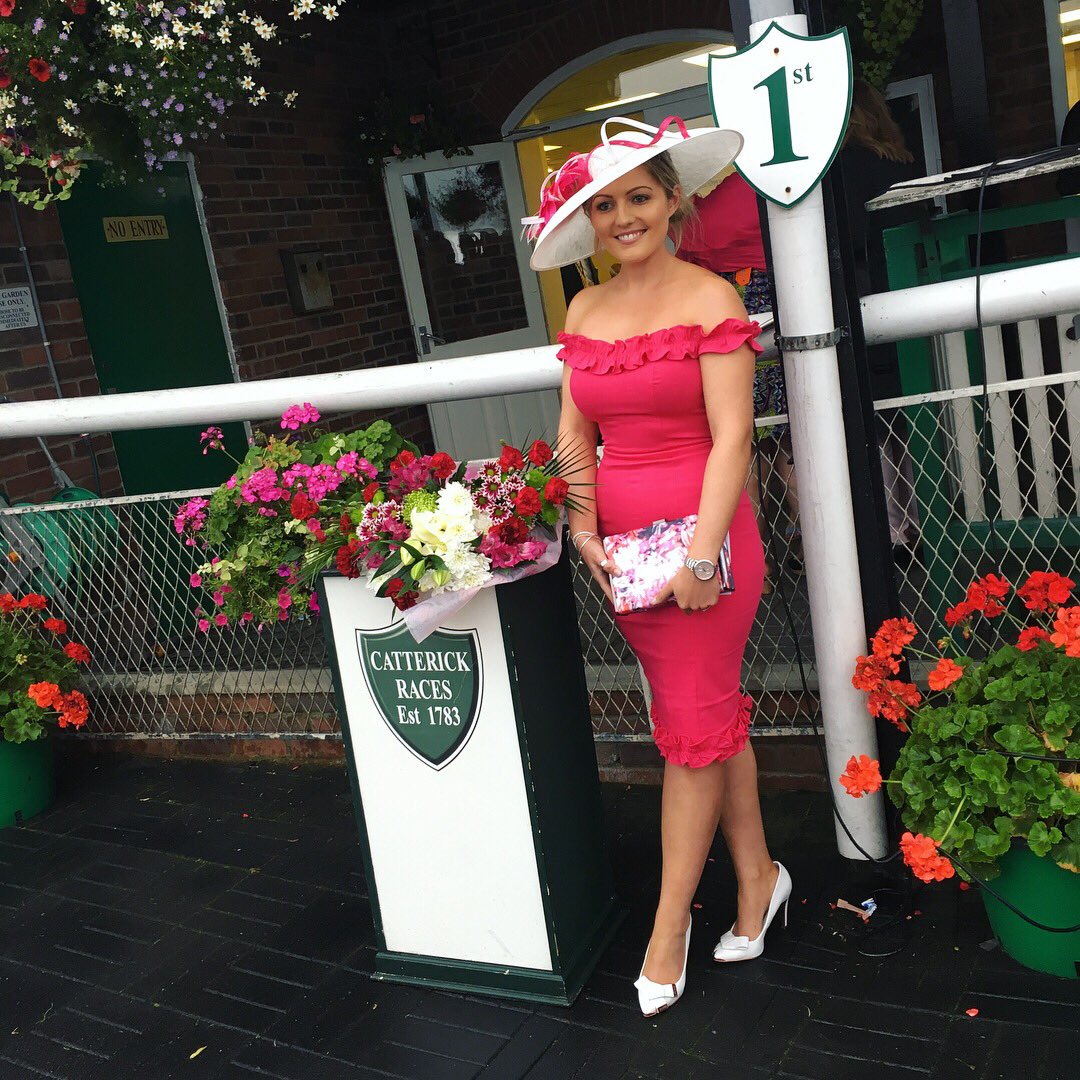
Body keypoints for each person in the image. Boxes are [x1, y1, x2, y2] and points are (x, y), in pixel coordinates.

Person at [524, 116, 790, 1018]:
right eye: (604, 206)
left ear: (674, 199)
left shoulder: (712, 298)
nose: (623, 218)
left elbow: (733, 439)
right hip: (625, 557)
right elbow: (573, 432)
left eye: (639, 197)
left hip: (707, 548)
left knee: (688, 728)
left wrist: (702, 556)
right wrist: (582, 529)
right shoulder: (584, 310)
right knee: (705, 720)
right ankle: (758, 878)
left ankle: (668, 928)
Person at [678, 171, 800, 586]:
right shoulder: (768, 182)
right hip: (779, 308)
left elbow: (689, 254)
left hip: (726, 315)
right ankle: (813, 545)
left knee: (740, 447)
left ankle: (755, 560)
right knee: (791, 442)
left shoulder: (708, 202)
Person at [838, 79, 921, 548]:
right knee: (909, 417)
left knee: (876, 419)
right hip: (911, 293)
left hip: (869, 299)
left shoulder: (846, 165)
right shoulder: (901, 160)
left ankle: (894, 530)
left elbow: (849, 238)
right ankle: (920, 518)